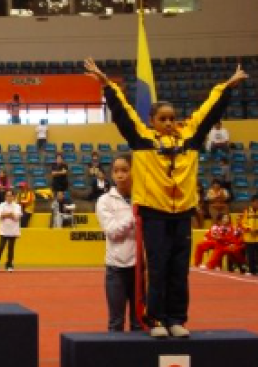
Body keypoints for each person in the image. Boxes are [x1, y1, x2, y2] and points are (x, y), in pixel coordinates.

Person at [84, 57, 248, 338]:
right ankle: (155, 319)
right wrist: (107, 85)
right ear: (152, 121)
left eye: (172, 118)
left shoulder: (191, 139)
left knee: (179, 269)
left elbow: (208, 112)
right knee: (157, 268)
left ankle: (176, 319)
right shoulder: (142, 140)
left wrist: (226, 87)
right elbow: (123, 113)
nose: (170, 123)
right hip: (154, 214)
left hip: (182, 213)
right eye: (163, 119)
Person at [96, 154, 142, 332]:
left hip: (140, 269)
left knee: (139, 322)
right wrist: (134, 216)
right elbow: (113, 231)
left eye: (125, 170)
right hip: (116, 268)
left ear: (133, 172)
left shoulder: (143, 198)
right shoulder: (105, 201)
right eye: (116, 171)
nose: (120, 175)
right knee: (116, 322)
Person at [239, 195, 258, 276]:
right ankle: (251, 270)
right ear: (252, 202)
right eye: (256, 202)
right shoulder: (246, 211)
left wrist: (257, 230)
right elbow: (243, 223)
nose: (257, 204)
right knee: (250, 255)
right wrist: (250, 229)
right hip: (249, 238)